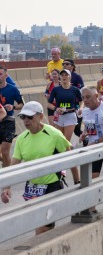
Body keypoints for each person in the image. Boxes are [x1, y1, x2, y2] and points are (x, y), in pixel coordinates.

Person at [1, 101, 71, 235]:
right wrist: (7, 187)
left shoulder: (54, 134)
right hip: (32, 187)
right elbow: (14, 165)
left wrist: (79, 182)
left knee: (43, 228)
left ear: (40, 116)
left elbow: (71, 158)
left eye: (30, 117)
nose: (26, 121)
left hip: (52, 185)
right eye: (23, 117)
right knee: (39, 226)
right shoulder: (22, 138)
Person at [79, 86, 103, 206]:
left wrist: (96, 142)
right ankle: (92, 207)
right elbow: (89, 127)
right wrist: (84, 134)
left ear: (96, 96)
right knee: (93, 178)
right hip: (94, 149)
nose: (85, 100)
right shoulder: (85, 111)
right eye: (83, 98)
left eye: (88, 97)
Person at [47, 69, 82, 184]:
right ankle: (66, 169)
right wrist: (55, 109)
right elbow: (48, 103)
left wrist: (79, 108)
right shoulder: (56, 90)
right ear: (60, 78)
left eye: (66, 75)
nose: (64, 77)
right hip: (59, 116)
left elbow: (80, 102)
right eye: (62, 75)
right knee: (59, 143)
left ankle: (67, 171)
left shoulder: (75, 90)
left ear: (70, 77)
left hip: (70, 116)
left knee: (65, 142)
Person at [0, 65, 24, 169]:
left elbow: (21, 104)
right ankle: (8, 165)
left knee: (5, 151)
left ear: (6, 75)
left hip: (8, 121)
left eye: (0, 74)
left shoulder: (12, 89)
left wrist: (13, 106)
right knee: (3, 155)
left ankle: (8, 174)